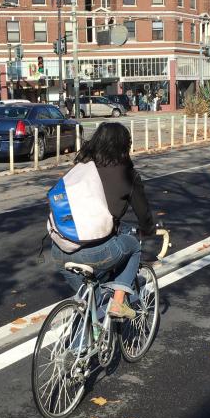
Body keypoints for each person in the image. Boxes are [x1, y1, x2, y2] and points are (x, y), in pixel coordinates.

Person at [51, 123, 154, 320]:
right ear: (125, 145)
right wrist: (148, 229)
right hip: (97, 252)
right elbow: (143, 214)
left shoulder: (81, 167)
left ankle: (79, 344)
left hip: (60, 249)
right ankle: (117, 303)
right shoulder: (127, 174)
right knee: (132, 247)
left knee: (90, 304)